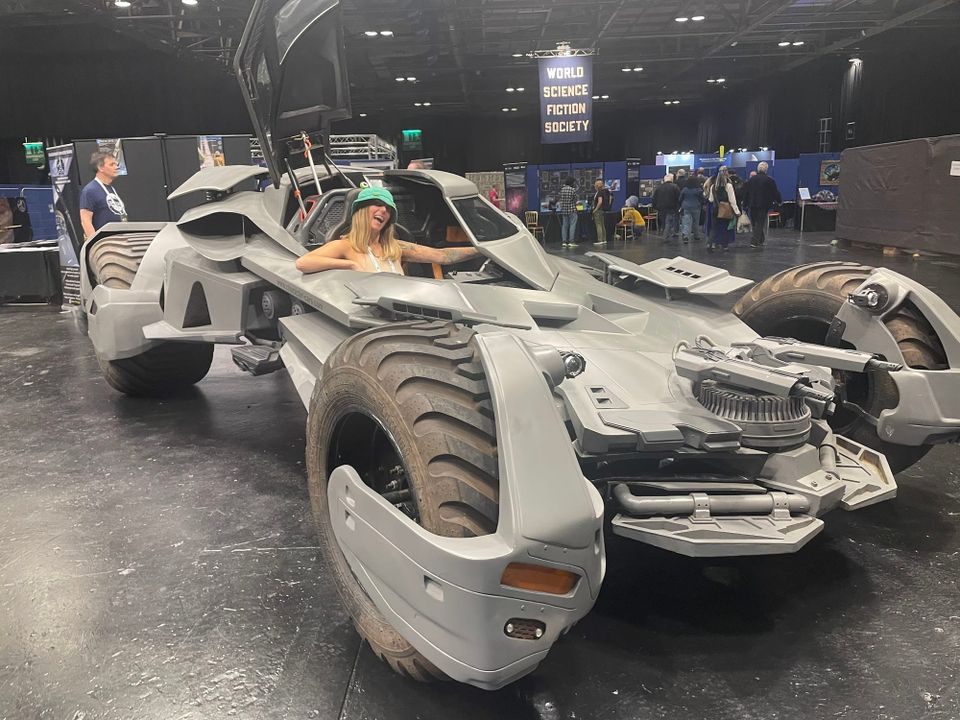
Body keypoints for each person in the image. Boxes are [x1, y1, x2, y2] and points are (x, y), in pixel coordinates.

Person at [295, 187, 480, 274]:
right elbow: (303, 263)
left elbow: (442, 256)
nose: (383, 211)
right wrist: (350, 265)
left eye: (388, 209)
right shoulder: (345, 246)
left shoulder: (395, 247)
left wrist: (483, 251)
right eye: (377, 205)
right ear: (360, 211)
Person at [80, 152, 126, 241]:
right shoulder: (90, 190)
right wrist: (94, 244)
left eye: (116, 164)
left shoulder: (111, 188)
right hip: (105, 245)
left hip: (119, 241)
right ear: (100, 168)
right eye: (112, 164)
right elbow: (85, 221)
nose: (116, 167)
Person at [741, 161, 782, 248]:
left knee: (755, 223)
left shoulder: (751, 180)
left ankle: (761, 239)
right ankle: (754, 241)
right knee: (760, 223)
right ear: (766, 170)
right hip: (763, 205)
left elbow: (746, 193)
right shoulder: (769, 180)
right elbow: (775, 192)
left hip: (752, 204)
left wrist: (744, 205)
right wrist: (779, 201)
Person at [706, 166, 741, 252]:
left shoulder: (713, 187)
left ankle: (710, 243)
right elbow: (732, 200)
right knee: (725, 228)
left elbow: (711, 199)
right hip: (725, 210)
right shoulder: (728, 186)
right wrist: (737, 211)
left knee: (714, 228)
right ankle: (724, 245)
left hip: (715, 210)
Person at [652, 173, 680, 242]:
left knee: (664, 222)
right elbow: (678, 198)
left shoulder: (659, 188)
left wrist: (655, 206)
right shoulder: (675, 187)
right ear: (672, 179)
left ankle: (664, 233)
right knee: (669, 222)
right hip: (671, 207)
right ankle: (666, 236)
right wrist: (678, 206)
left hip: (661, 208)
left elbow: (654, 198)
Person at [678, 176, 704, 244]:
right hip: (696, 207)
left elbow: (680, 198)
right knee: (696, 222)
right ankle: (696, 235)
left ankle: (685, 236)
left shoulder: (685, 189)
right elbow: (702, 199)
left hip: (686, 207)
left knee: (686, 222)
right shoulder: (698, 190)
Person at [557, 176, 579, 248]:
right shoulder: (573, 190)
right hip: (572, 210)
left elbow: (559, 198)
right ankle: (571, 241)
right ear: (572, 183)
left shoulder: (562, 190)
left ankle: (564, 241)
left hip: (564, 210)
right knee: (572, 225)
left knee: (564, 226)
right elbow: (575, 199)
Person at [592, 179, 612, 245]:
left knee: (598, 225)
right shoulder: (606, 191)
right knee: (603, 225)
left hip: (598, 210)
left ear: (597, 185)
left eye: (595, 184)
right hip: (603, 210)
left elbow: (600, 202)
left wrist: (595, 209)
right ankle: (604, 239)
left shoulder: (599, 192)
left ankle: (600, 239)